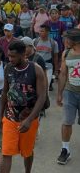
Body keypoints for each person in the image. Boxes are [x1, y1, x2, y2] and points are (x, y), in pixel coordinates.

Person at [0, 40, 46, 173]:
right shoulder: (8, 67)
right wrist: (0, 116)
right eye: (9, 56)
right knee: (6, 152)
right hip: (10, 117)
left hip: (29, 119)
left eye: (13, 56)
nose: (10, 59)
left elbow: (42, 96)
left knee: (27, 152)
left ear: (23, 54)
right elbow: (4, 92)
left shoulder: (36, 69)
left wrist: (30, 119)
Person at [56, 28, 80, 165]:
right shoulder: (66, 53)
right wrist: (59, 93)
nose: (65, 41)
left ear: (74, 40)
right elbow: (63, 74)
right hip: (70, 93)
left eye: (67, 38)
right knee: (66, 122)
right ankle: (65, 150)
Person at [34, 24, 59, 91]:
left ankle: (45, 99)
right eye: (40, 31)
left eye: (42, 31)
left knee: (46, 86)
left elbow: (56, 57)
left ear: (47, 32)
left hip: (48, 66)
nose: (40, 32)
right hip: (37, 66)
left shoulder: (53, 43)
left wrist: (56, 70)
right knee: (36, 85)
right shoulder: (35, 41)